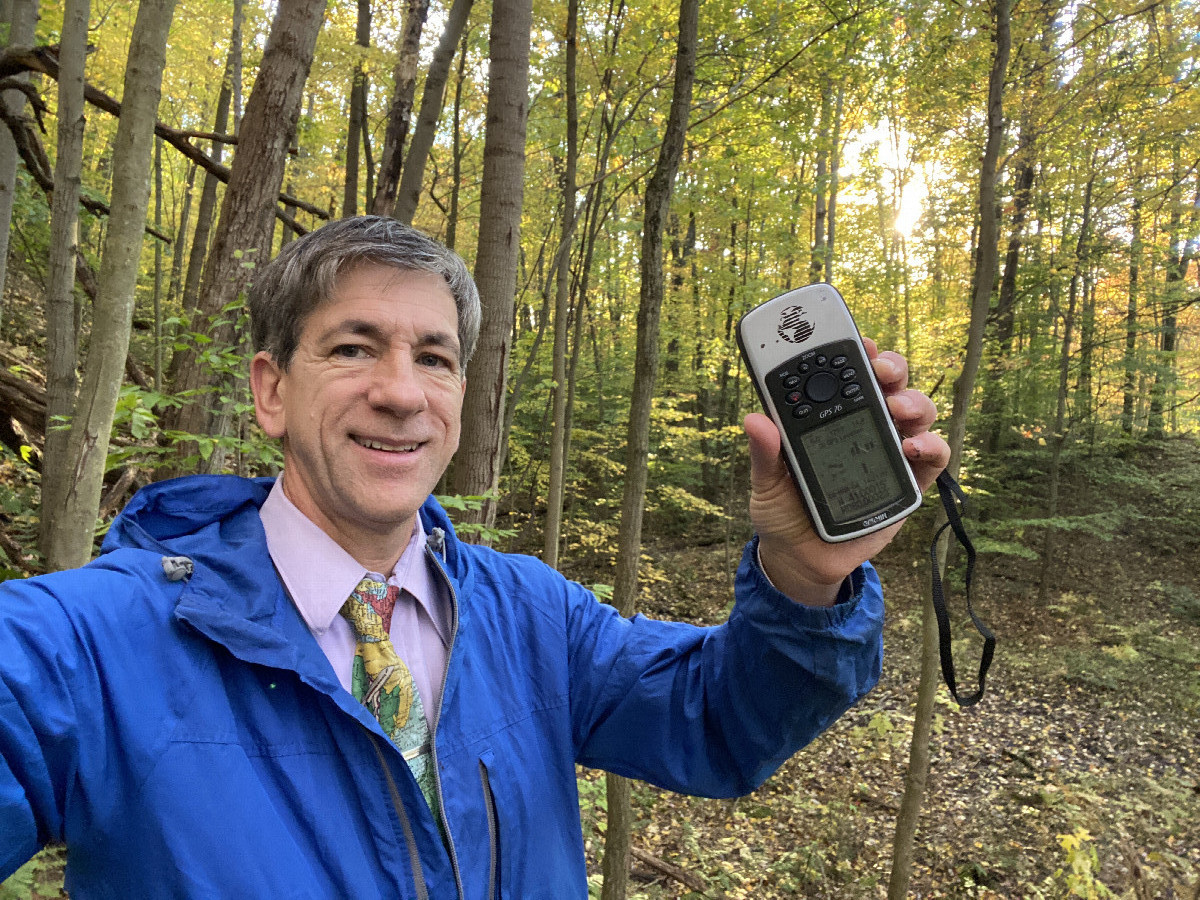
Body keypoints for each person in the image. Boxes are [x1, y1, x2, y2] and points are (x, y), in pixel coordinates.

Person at [0, 216, 950, 898]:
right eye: (353, 348)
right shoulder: (86, 645)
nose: (402, 393)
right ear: (271, 391)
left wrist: (809, 574)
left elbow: (717, 722)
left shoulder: (530, 613)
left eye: (437, 358)